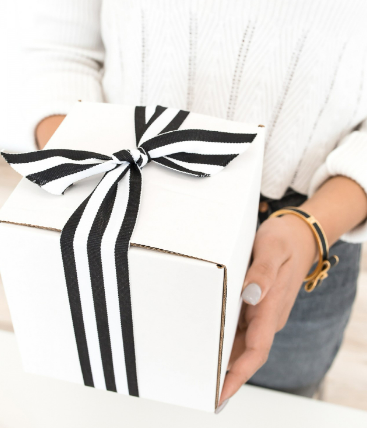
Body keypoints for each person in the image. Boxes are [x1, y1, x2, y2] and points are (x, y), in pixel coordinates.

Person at [20, 0, 367, 413]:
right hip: (113, 210)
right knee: (97, 406)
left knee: (270, 411)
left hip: (294, 243)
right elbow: (59, 50)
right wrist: (91, 174)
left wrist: (312, 227)